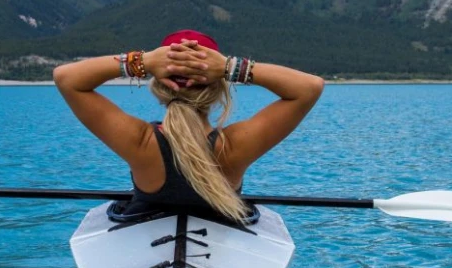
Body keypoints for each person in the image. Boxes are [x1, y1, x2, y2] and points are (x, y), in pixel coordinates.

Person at [53, 30, 324, 223]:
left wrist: (143, 61)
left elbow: (66, 78)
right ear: (219, 87)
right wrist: (231, 66)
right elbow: (309, 87)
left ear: (159, 85)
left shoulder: (139, 142)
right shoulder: (234, 147)